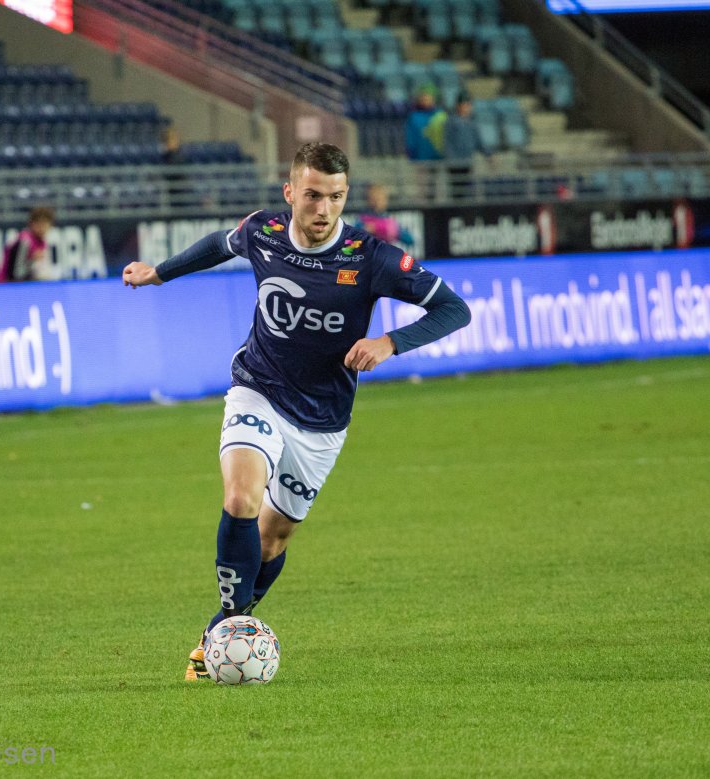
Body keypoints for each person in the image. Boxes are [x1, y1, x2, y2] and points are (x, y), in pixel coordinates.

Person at [121, 142, 471, 680]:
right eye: (312, 195)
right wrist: (160, 274)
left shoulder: (372, 256)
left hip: (323, 415)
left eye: (335, 197)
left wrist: (391, 343)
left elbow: (454, 308)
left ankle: (218, 630)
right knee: (240, 496)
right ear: (290, 193)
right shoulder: (263, 232)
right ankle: (230, 634)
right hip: (257, 386)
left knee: (274, 536)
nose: (323, 209)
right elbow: (220, 244)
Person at [0, 206, 54, 283]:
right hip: (6, 286)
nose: (42, 228)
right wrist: (32, 260)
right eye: (39, 224)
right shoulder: (24, 241)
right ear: (31, 224)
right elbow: (16, 273)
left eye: (45, 224)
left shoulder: (41, 242)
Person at [442, 96, 483, 201]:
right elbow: (447, 142)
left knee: (466, 189)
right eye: (465, 105)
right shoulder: (451, 122)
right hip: (455, 162)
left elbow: (478, 141)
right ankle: (455, 210)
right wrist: (451, 159)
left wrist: (489, 154)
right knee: (456, 189)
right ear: (458, 106)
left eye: (469, 105)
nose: (467, 108)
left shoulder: (472, 123)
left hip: (467, 161)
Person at [355, 182, 415, 249]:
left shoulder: (389, 221)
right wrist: (364, 232)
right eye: (374, 198)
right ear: (368, 200)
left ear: (386, 200)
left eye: (380, 198)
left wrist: (394, 232)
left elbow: (410, 240)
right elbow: (350, 243)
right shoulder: (363, 220)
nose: (377, 202)